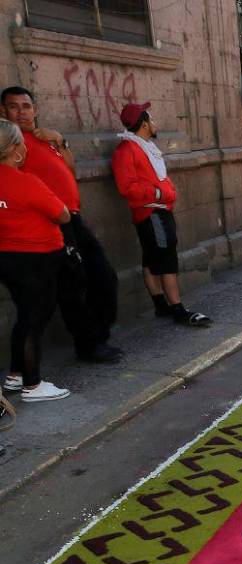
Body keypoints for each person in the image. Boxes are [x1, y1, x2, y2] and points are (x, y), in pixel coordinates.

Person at [1, 86, 122, 363]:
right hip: (50, 223)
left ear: (35, 110)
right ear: (3, 112)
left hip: (72, 217)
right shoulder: (11, 144)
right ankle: (89, 344)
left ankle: (98, 336)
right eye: (13, 107)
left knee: (103, 276)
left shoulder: (44, 138)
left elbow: (71, 171)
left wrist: (61, 141)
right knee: (72, 286)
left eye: (26, 106)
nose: (21, 112)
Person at [112, 102, 210, 327]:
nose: (155, 123)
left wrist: (165, 191)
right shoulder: (126, 150)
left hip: (159, 209)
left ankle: (160, 305)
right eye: (152, 119)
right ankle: (178, 308)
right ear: (144, 124)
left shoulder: (143, 146)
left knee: (152, 257)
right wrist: (158, 192)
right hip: (151, 212)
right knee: (166, 257)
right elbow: (127, 187)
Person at [0, 119, 72, 401]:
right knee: (34, 320)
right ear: (16, 148)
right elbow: (63, 214)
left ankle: (16, 376)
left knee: (25, 317)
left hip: (7, 258)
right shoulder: (26, 182)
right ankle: (32, 384)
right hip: (37, 259)